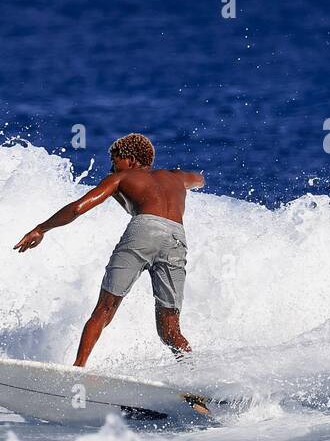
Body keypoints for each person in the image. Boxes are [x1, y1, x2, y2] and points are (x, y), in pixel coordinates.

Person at [14, 133, 203, 366]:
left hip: (144, 231)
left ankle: (77, 369)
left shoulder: (122, 177)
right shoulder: (176, 177)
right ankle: (194, 377)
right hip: (176, 238)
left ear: (131, 160)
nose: (112, 167)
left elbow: (77, 208)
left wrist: (41, 228)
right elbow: (199, 179)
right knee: (170, 329)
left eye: (115, 161)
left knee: (104, 309)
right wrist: (185, 183)